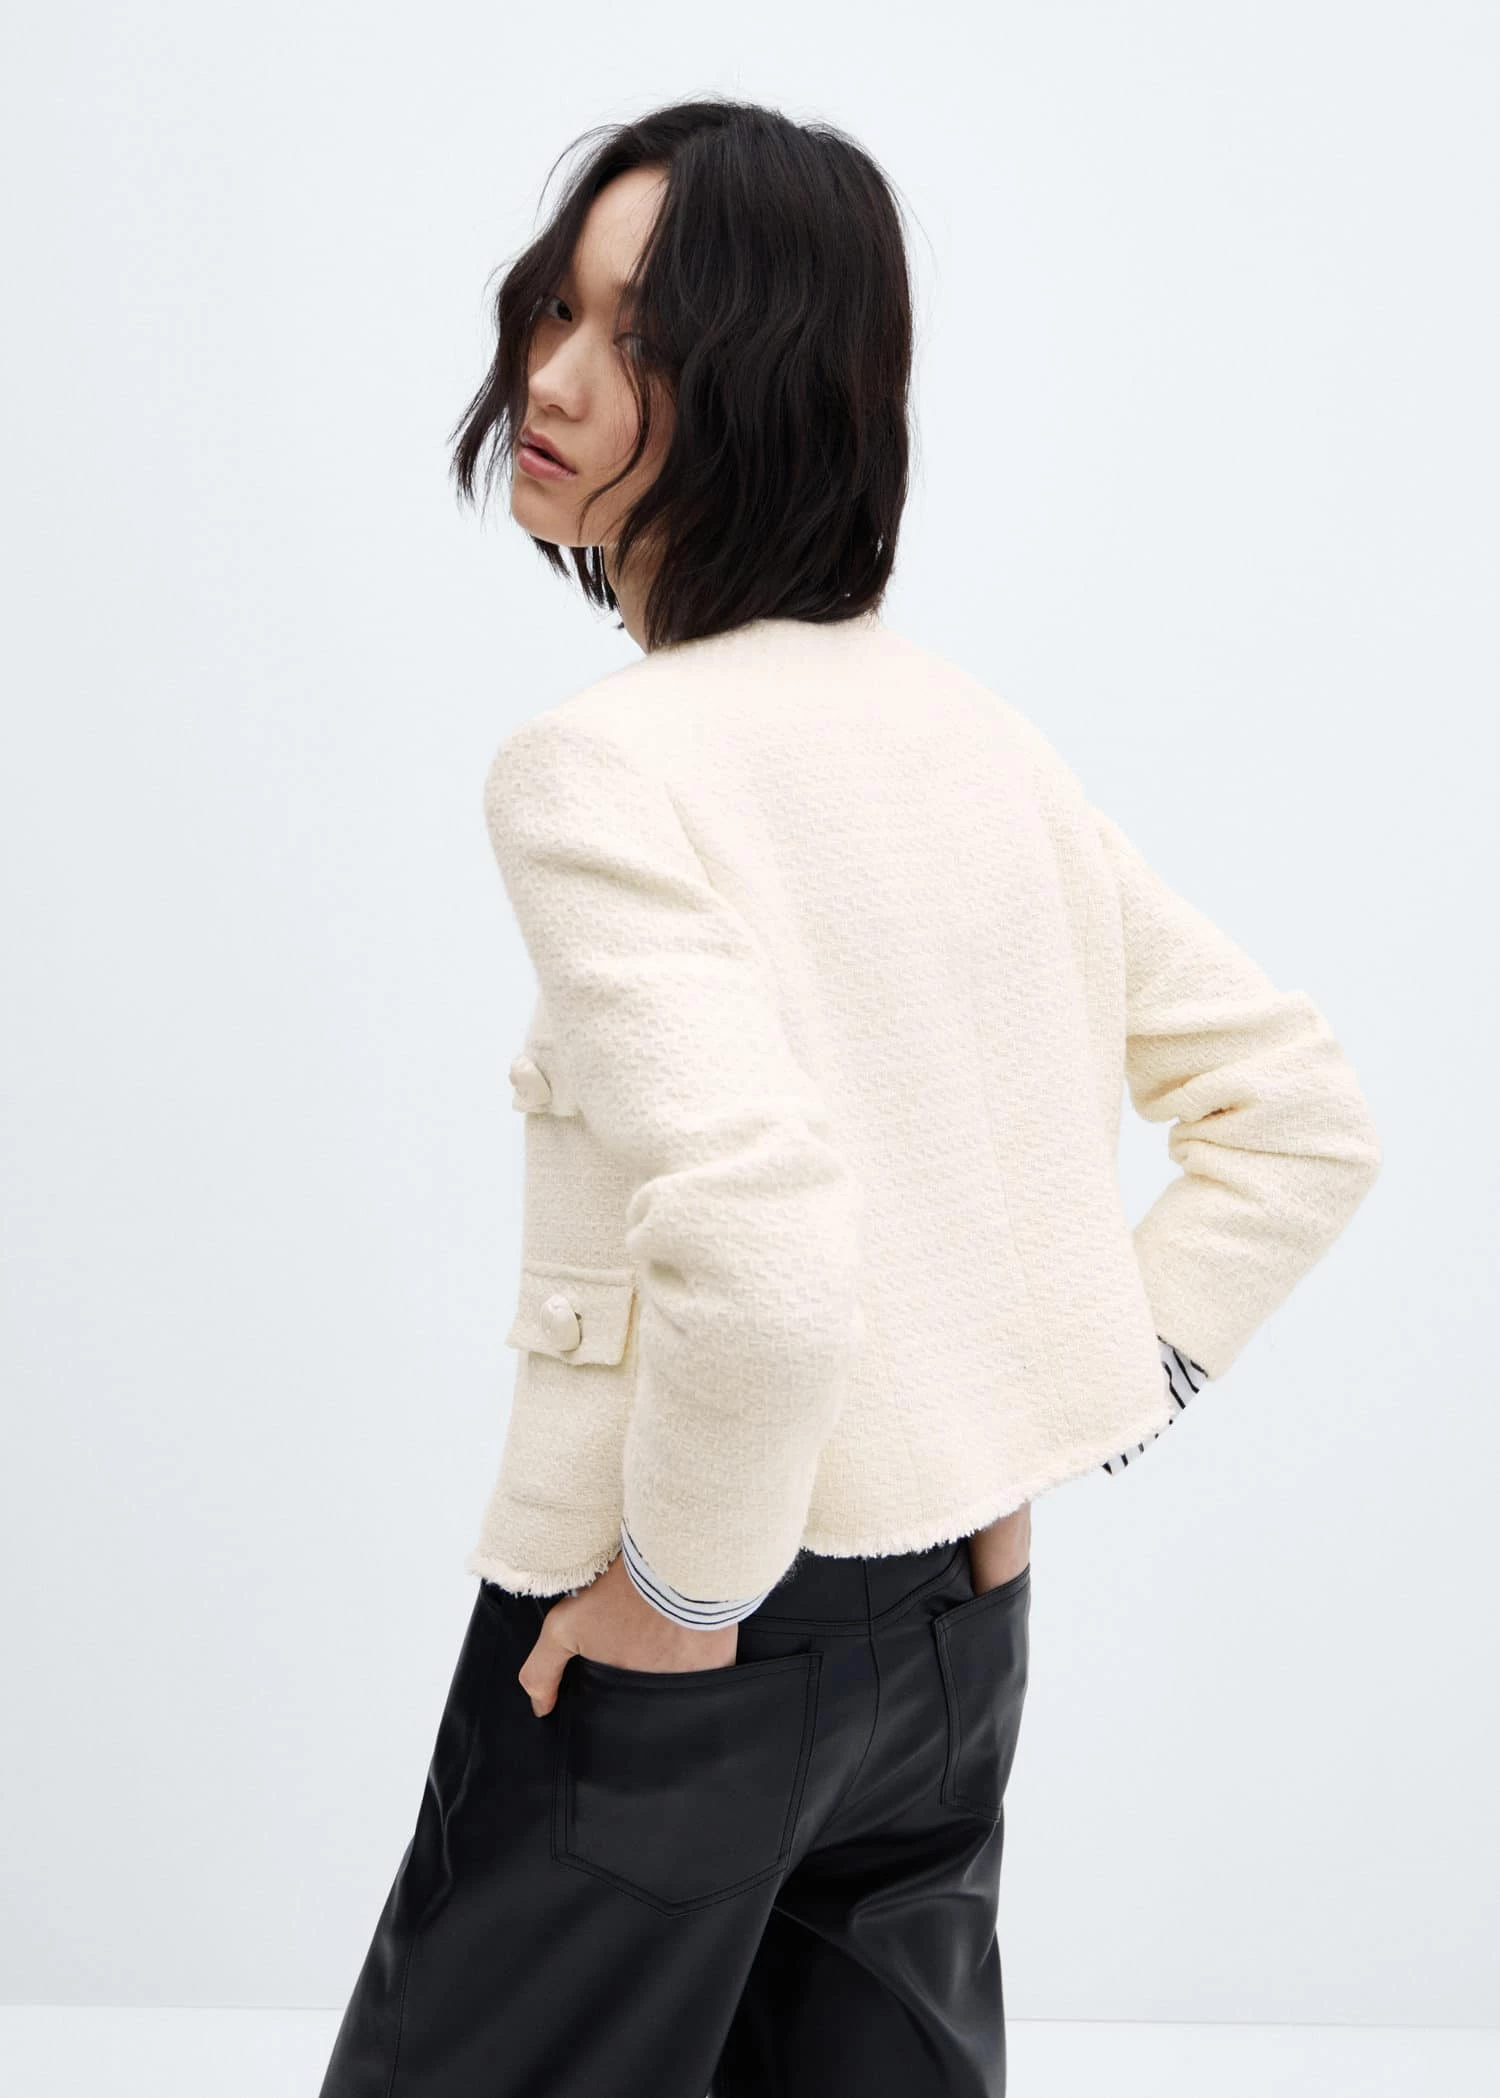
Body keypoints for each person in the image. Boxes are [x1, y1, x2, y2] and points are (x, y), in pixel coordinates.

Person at [316, 98, 1380, 2098]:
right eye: (555, 306)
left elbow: (765, 1242)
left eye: (638, 337)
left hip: (689, 1629)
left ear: (773, 391)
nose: (554, 377)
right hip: (955, 1633)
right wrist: (1056, 1402)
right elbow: (1298, 1113)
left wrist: (680, 1591)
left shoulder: (599, 766)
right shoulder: (978, 739)